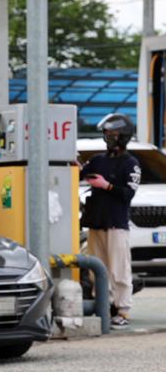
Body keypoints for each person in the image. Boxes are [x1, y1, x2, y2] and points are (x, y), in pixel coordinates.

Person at [81, 113, 141, 329]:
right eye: (106, 133)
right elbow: (80, 172)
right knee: (97, 270)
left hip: (117, 225)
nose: (108, 137)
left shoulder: (131, 163)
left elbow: (127, 194)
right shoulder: (98, 159)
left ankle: (123, 310)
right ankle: (102, 307)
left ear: (123, 136)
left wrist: (106, 185)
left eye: (112, 133)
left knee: (119, 270)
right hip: (96, 223)